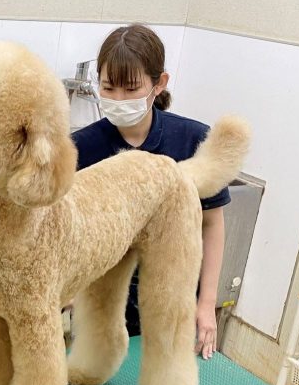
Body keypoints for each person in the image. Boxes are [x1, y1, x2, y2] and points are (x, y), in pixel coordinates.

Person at [72, 24, 228, 360]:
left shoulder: (192, 140)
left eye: (131, 89)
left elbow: (212, 224)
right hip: (100, 298)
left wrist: (206, 305)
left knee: (165, 376)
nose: (118, 99)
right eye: (108, 87)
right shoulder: (82, 147)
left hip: (172, 294)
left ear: (159, 84)